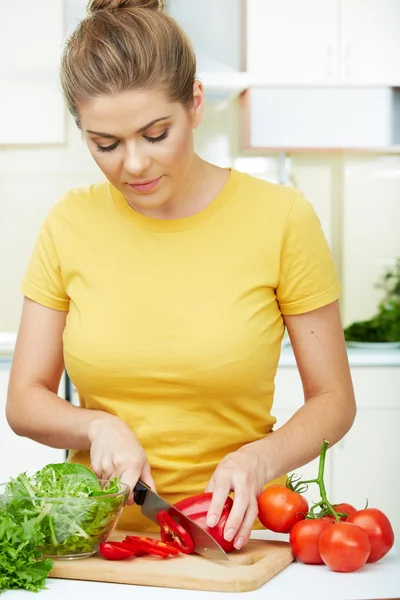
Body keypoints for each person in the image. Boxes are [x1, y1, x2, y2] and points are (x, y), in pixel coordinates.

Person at [6, 0, 356, 551]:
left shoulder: (282, 218)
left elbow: (334, 399)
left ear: (194, 103)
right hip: (100, 546)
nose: (135, 164)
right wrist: (94, 426)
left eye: (155, 133)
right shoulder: (69, 222)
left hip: (236, 544)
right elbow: (24, 400)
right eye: (107, 144)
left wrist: (259, 458)